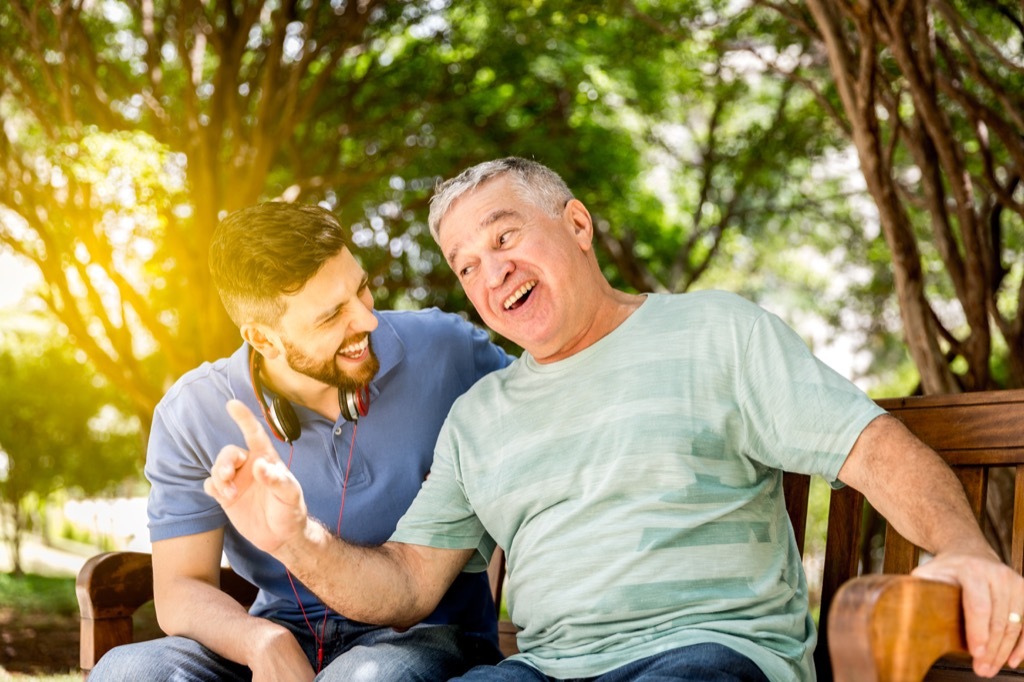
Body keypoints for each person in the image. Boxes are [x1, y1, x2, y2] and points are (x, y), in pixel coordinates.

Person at [204, 158, 1024, 681]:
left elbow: (875, 451)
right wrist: (292, 540)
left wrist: (965, 553)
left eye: (505, 237)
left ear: (577, 225)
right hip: (548, 672)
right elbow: (408, 585)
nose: (493, 274)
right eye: (467, 265)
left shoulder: (714, 331)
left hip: (707, 655)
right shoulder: (481, 415)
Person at [90, 202, 511, 682]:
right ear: (263, 339)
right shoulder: (192, 412)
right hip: (277, 635)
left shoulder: (448, 351)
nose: (367, 320)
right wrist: (259, 641)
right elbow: (181, 587)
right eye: (332, 316)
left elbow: (548, 397)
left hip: (426, 637)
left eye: (361, 289)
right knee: (129, 671)